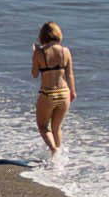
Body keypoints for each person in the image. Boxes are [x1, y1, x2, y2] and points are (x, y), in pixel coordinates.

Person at [30, 21, 76, 159]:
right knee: (56, 128)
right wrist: (73, 92)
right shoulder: (65, 51)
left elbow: (34, 74)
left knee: (43, 127)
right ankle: (58, 159)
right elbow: (70, 74)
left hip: (48, 93)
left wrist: (34, 55)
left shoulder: (39, 53)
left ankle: (54, 150)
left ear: (42, 36)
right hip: (64, 93)